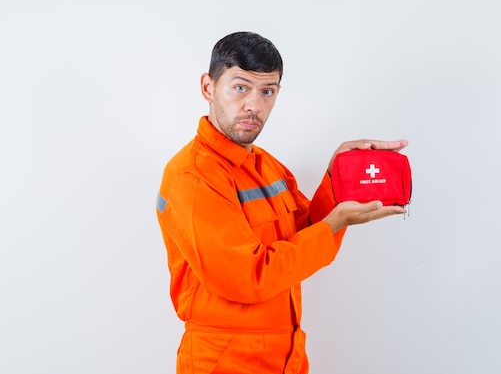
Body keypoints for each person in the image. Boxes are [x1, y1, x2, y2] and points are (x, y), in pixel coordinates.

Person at [155, 31, 408, 374]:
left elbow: (304, 237)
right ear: (208, 88)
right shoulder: (193, 177)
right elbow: (250, 278)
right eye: (240, 87)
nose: (254, 105)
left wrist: (337, 179)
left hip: (285, 354)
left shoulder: (267, 166)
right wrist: (337, 222)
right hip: (225, 359)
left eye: (267, 91)